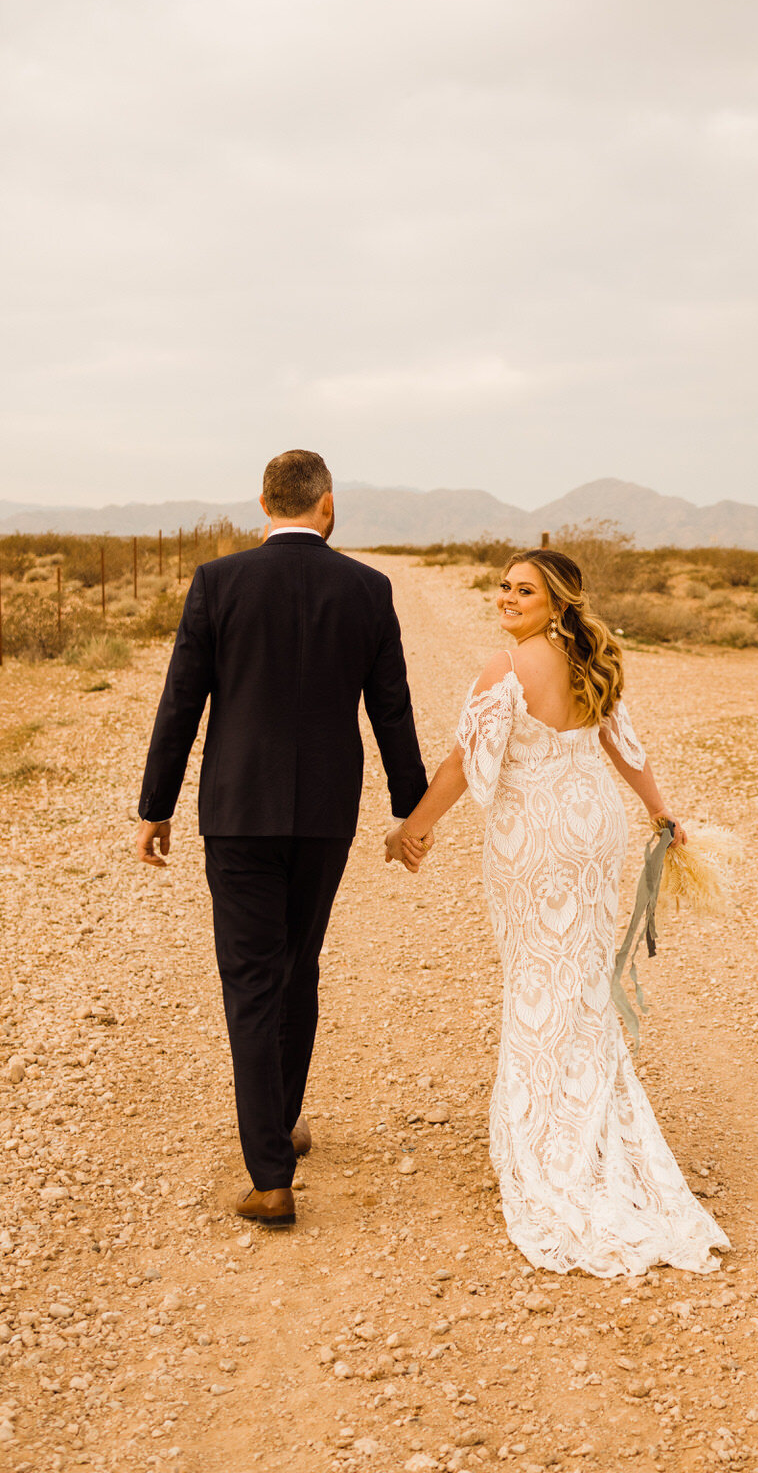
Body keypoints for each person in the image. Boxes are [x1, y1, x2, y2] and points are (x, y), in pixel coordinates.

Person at [385, 549, 730, 1276]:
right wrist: (660, 809)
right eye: (503, 587)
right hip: (592, 825)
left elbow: (459, 763)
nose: (507, 598)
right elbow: (620, 744)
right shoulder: (587, 659)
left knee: (538, 981)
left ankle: (551, 1143)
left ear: (557, 601)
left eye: (524, 591)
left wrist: (412, 828)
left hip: (535, 832)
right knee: (575, 979)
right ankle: (592, 1124)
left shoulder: (506, 668)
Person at [137, 450, 428, 1228]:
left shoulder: (218, 583)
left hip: (237, 811)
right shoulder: (367, 588)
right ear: (326, 505)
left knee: (250, 978)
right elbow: (391, 708)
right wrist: (412, 809)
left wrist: (154, 805)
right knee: (298, 965)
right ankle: (283, 1120)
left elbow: (181, 703)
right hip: (325, 812)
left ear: (262, 504)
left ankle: (270, 1172)